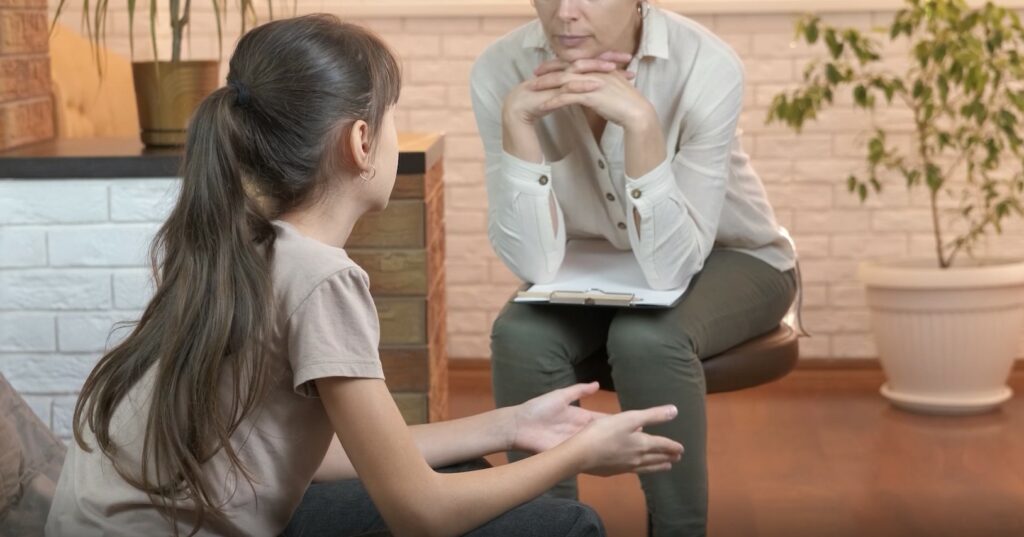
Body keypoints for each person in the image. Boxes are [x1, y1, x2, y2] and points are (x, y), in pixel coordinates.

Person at [44, 14, 686, 537]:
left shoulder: (235, 240)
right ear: (360, 143)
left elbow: (305, 455)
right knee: (568, 524)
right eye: (393, 115)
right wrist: (578, 455)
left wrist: (511, 423)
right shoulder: (319, 277)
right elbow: (421, 514)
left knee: (464, 465)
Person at [470, 1, 799, 535]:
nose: (565, 12)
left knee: (647, 339)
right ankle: (545, 525)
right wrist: (518, 125)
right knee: (520, 336)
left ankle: (678, 528)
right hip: (596, 265)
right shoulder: (499, 69)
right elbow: (534, 265)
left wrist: (642, 124)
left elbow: (671, 267)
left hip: (736, 256)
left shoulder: (704, 64)